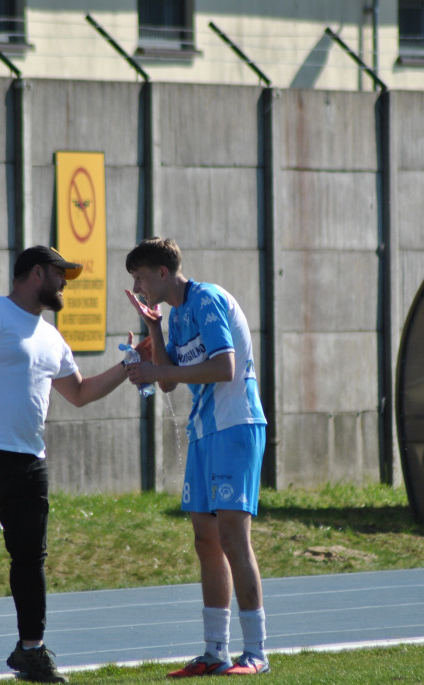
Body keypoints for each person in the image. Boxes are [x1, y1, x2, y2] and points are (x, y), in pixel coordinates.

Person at [0, 246, 134, 682]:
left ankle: (31, 651)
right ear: (36, 273)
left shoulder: (51, 336)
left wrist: (128, 365)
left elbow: (79, 393)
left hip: (30, 464)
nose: (64, 286)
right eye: (61, 276)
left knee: (30, 561)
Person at [124, 237, 270, 676]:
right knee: (205, 540)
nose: (139, 287)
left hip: (235, 425)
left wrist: (158, 370)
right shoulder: (175, 312)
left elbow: (224, 367)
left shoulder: (206, 298)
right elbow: (168, 384)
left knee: (232, 537)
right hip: (205, 432)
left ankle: (256, 654)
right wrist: (152, 330)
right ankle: (214, 652)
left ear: (163, 273)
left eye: (142, 278)